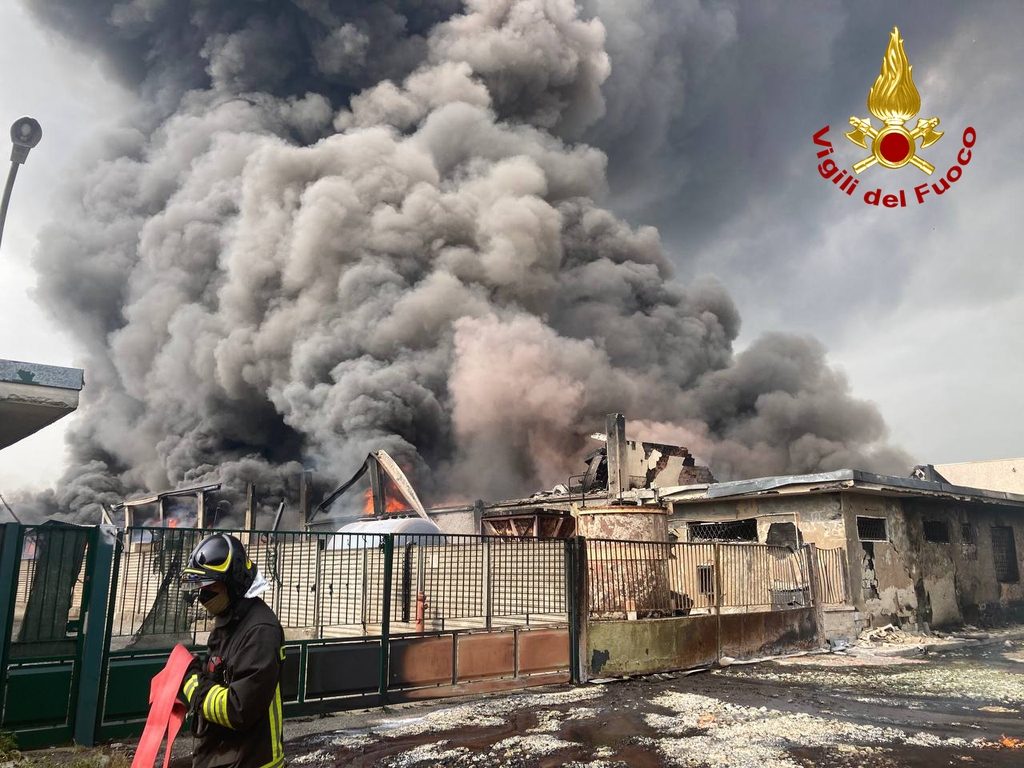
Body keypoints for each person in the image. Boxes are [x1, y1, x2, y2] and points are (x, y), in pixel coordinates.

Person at [178, 533, 285, 768]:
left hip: (251, 761)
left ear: (233, 583)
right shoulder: (228, 621)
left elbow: (238, 710)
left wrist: (192, 684)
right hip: (222, 755)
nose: (203, 595)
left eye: (209, 586)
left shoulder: (260, 631)